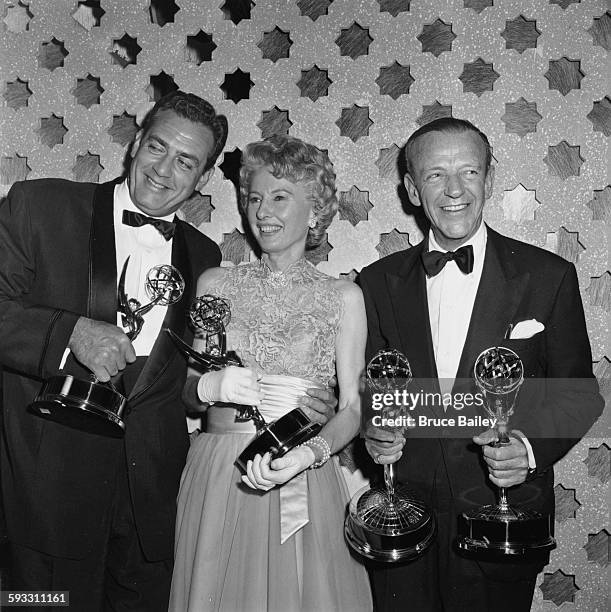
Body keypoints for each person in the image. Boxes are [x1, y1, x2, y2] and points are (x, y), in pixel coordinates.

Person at [0, 91, 334, 611]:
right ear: (135, 144)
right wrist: (69, 334)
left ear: (202, 179)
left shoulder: (205, 259)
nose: (164, 170)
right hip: (46, 502)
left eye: (186, 162)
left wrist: (300, 407)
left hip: (152, 510)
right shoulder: (40, 205)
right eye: (157, 148)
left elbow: (191, 385)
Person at [360, 117, 604, 611]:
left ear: (489, 180)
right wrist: (373, 431)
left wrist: (531, 450)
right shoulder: (376, 281)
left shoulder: (548, 275)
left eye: (469, 172)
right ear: (411, 188)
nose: (454, 189)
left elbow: (580, 392)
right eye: (434, 175)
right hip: (403, 520)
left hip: (505, 517)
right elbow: (371, 389)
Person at [169, 135, 372, 611]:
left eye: (280, 197)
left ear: (316, 210)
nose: (263, 212)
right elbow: (186, 395)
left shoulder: (344, 296)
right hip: (218, 467)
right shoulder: (216, 283)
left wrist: (312, 454)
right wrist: (208, 384)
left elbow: (353, 408)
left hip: (298, 467)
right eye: (255, 198)